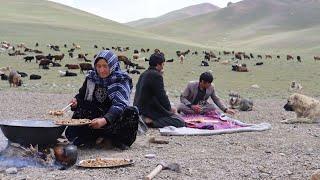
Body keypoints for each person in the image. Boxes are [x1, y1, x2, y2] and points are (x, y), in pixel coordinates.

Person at [65, 50, 139, 149]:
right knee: (71, 133)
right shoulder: (91, 78)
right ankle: (94, 138)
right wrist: (75, 102)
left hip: (112, 122)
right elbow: (81, 96)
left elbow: (120, 105)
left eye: (105, 66)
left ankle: (113, 140)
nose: (101, 70)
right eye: (98, 66)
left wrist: (104, 120)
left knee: (131, 112)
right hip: (94, 121)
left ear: (112, 65)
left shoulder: (121, 80)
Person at [133, 52, 186, 128]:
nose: (162, 67)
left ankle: (145, 118)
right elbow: (162, 96)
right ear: (158, 64)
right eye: (162, 65)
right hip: (148, 111)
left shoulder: (144, 74)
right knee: (180, 122)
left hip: (139, 109)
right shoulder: (156, 75)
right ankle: (150, 122)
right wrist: (169, 109)